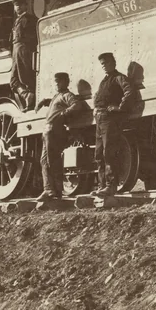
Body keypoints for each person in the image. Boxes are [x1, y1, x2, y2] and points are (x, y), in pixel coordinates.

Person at [38, 72, 89, 201]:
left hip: (54, 131)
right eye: (55, 82)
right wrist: (45, 101)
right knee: (44, 160)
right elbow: (57, 102)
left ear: (66, 82)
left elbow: (77, 105)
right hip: (48, 131)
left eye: (58, 82)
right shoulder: (58, 96)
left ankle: (55, 190)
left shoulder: (67, 95)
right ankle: (49, 189)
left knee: (52, 160)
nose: (56, 84)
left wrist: (63, 115)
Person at [92, 52, 137, 196]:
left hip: (109, 119)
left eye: (107, 63)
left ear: (114, 63)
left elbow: (130, 92)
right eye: (102, 64)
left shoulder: (119, 78)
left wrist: (120, 108)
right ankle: (102, 186)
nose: (104, 66)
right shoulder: (105, 80)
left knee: (108, 153)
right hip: (100, 119)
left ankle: (111, 186)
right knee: (99, 154)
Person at [10, 0, 37, 109]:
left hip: (23, 49)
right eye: (17, 5)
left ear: (26, 5)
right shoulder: (18, 20)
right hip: (17, 49)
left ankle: (29, 96)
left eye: (21, 5)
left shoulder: (28, 19)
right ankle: (27, 95)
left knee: (23, 76)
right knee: (14, 80)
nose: (18, 7)